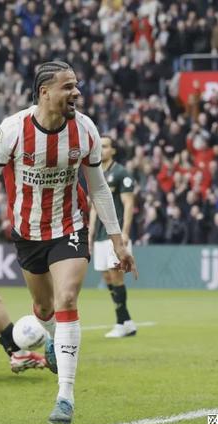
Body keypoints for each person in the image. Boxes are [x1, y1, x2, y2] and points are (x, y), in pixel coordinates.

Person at [0, 61, 138, 424]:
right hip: (28, 233)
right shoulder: (11, 131)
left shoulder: (85, 129)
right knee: (44, 308)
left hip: (69, 227)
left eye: (76, 85)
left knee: (67, 299)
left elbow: (98, 188)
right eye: (68, 87)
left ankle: (65, 396)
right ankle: (49, 340)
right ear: (44, 92)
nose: (77, 92)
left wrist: (117, 241)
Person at [89, 137, 137, 338]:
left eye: (105, 146)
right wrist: (90, 233)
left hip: (115, 235)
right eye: (99, 146)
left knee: (115, 275)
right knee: (107, 276)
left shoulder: (121, 173)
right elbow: (94, 206)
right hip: (100, 234)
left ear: (114, 150)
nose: (101, 150)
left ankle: (120, 323)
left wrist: (125, 232)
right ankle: (127, 322)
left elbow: (129, 204)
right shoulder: (97, 173)